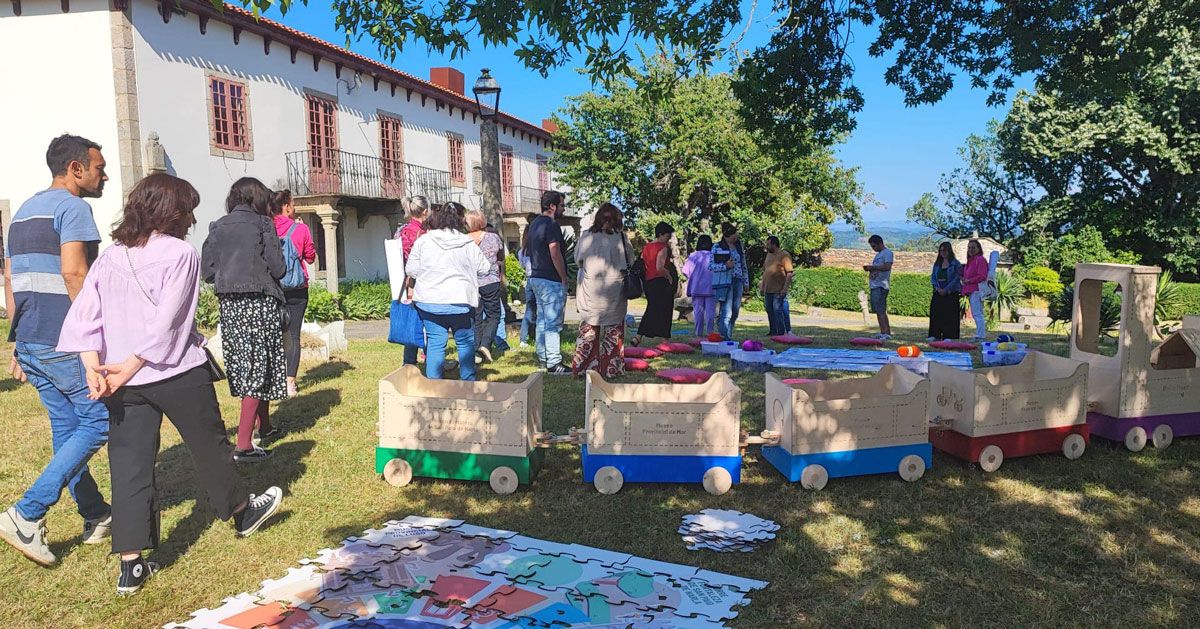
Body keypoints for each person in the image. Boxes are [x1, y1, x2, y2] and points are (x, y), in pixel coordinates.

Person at [56, 173, 284, 595]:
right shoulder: (180, 253)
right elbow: (170, 321)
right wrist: (128, 366)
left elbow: (85, 316)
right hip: (174, 371)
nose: (192, 218)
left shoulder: (111, 256)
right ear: (172, 211)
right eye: (188, 209)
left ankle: (131, 564)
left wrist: (95, 366)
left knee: (129, 464)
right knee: (210, 446)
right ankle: (242, 512)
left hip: (120, 380)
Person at [1, 134, 112, 566]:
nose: (103, 175)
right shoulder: (73, 208)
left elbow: (13, 279)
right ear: (75, 169)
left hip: (32, 338)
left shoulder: (23, 212)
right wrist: (94, 339)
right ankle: (26, 514)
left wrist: (18, 340)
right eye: (99, 168)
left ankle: (96, 514)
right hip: (63, 340)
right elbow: (73, 272)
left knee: (68, 430)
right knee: (98, 421)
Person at [201, 177, 287, 462]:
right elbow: (279, 268)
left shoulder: (216, 227)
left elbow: (208, 271)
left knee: (249, 365)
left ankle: (266, 425)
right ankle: (244, 444)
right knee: (261, 366)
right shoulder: (264, 225)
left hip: (230, 305)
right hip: (260, 300)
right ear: (257, 199)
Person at [407, 202, 491, 381]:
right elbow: (484, 268)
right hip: (460, 300)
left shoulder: (424, 241)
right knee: (464, 342)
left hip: (429, 301)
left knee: (436, 342)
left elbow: (411, 270)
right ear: (460, 221)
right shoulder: (467, 242)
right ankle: (468, 382)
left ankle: (433, 384)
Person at [571, 203, 635, 377]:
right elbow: (631, 259)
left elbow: (578, 260)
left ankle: (584, 368)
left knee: (588, 334)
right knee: (613, 335)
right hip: (615, 292)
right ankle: (612, 369)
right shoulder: (621, 238)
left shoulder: (586, 237)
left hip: (591, 291)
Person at [271, 190, 316, 397]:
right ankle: (290, 382)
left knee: (275, 335)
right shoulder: (300, 229)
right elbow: (310, 258)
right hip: (297, 288)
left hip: (273, 289)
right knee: (294, 335)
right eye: (293, 203)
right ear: (287, 207)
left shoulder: (266, 228)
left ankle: (275, 379)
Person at [525, 190, 571, 374]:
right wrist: (563, 276)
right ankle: (554, 362)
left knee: (543, 319)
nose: (563, 209)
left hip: (536, 276)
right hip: (550, 278)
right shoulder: (551, 225)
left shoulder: (535, 223)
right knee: (553, 321)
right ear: (552, 206)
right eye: (561, 205)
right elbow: (555, 252)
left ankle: (543, 356)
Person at [393, 196, 429, 365]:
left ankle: (408, 362)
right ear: (426, 211)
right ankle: (431, 359)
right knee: (429, 321)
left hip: (402, 281)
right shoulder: (423, 234)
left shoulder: (400, 231)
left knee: (410, 321)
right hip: (423, 281)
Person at [465, 210, 505, 364]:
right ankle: (485, 344)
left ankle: (476, 350)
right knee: (494, 315)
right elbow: (500, 257)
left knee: (476, 317)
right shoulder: (492, 237)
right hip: (490, 281)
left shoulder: (463, 240)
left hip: (472, 283)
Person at [632, 222, 676, 346]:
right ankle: (664, 338)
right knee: (666, 309)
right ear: (661, 234)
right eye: (668, 235)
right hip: (660, 282)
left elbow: (642, 262)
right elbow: (659, 267)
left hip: (648, 282)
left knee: (652, 308)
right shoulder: (663, 247)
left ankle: (638, 336)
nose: (669, 238)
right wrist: (669, 277)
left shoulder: (647, 247)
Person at [710, 223, 749, 340]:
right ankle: (725, 337)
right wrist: (725, 266)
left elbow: (743, 264)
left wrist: (746, 281)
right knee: (726, 311)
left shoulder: (739, 246)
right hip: (724, 282)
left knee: (735, 311)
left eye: (736, 234)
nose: (735, 237)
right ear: (726, 235)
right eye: (732, 235)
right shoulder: (717, 247)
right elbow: (711, 266)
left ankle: (729, 333)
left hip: (738, 280)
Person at [928, 241, 963, 341]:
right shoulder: (937, 264)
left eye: (945, 250)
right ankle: (935, 335)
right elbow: (933, 278)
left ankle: (949, 335)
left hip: (951, 294)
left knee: (950, 315)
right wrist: (938, 288)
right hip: (938, 293)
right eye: (941, 250)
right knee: (936, 313)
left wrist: (947, 289)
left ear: (949, 251)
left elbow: (956, 278)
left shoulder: (956, 264)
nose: (943, 252)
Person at [682, 235, 715, 337]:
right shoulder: (714, 256)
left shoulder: (693, 256)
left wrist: (694, 277)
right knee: (710, 313)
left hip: (696, 287)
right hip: (711, 288)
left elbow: (685, 271)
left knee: (698, 312)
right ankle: (710, 333)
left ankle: (698, 334)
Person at [761, 236, 795, 336]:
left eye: (768, 244)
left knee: (778, 311)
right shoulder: (768, 255)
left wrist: (785, 289)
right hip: (768, 289)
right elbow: (765, 271)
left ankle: (781, 332)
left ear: (774, 244)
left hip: (778, 289)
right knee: (769, 310)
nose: (766, 246)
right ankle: (773, 331)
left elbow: (789, 273)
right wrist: (762, 286)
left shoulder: (784, 255)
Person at [862, 234, 894, 340]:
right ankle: (882, 331)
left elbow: (887, 266)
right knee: (877, 310)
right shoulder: (878, 255)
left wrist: (873, 267)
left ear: (880, 243)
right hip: (875, 285)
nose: (873, 249)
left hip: (881, 285)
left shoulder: (887, 253)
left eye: (874, 246)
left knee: (881, 309)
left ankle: (887, 332)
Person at [962, 238, 989, 341]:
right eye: (969, 247)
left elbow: (982, 276)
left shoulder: (980, 260)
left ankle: (980, 335)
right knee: (977, 313)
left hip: (976, 290)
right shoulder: (971, 261)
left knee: (977, 313)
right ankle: (979, 334)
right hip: (972, 290)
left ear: (978, 248)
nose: (971, 249)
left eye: (973, 247)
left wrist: (969, 281)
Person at [517, 230, 537, 348]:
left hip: (529, 279)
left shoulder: (522, 252)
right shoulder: (538, 251)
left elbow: (522, 266)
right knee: (540, 310)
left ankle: (523, 338)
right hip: (539, 278)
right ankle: (536, 336)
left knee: (529, 310)